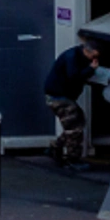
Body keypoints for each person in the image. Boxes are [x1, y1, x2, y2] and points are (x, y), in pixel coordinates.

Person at [44, 35, 101, 168]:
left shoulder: (75, 55)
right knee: (75, 128)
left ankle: (55, 148)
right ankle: (72, 159)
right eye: (93, 56)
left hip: (59, 96)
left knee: (76, 123)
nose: (94, 60)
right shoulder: (73, 58)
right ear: (88, 51)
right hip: (60, 97)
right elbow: (74, 77)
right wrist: (91, 70)